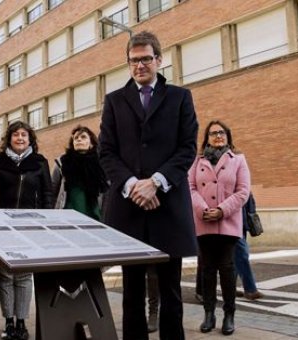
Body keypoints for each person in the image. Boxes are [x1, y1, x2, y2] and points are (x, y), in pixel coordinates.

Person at [99, 31, 199, 340]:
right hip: (129, 207)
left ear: (158, 59)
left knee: (171, 289)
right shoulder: (114, 101)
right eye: (133, 60)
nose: (139, 65)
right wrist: (133, 185)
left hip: (167, 205)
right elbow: (107, 152)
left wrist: (155, 183)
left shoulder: (180, 97)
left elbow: (187, 147)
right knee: (131, 290)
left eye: (145, 59)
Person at [188, 120, 250, 336]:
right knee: (206, 270)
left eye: (222, 133)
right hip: (203, 221)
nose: (218, 136)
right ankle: (208, 314)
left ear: (228, 136)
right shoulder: (197, 160)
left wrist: (222, 210)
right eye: (213, 133)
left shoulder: (238, 160)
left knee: (227, 269)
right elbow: (191, 187)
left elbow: (243, 192)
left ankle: (229, 314)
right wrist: (203, 208)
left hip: (227, 222)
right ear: (207, 138)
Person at [0, 121, 53, 340]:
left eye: (24, 135)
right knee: (6, 274)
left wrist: (45, 222)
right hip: (2, 225)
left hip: (30, 225)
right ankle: (8, 322)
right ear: (9, 139)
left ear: (30, 140)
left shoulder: (39, 162)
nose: (19, 138)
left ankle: (21, 322)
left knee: (25, 275)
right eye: (15, 135)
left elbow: (48, 193)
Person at [51, 125, 107, 220]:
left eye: (83, 137)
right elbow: (52, 191)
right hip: (66, 216)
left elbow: (107, 193)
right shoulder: (62, 162)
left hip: (94, 216)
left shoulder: (101, 164)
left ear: (91, 143)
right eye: (76, 138)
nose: (79, 139)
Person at [235, 193, 264, 300]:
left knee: (235, 258)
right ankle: (250, 290)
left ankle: (229, 287)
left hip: (243, 222)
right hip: (234, 224)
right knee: (242, 255)